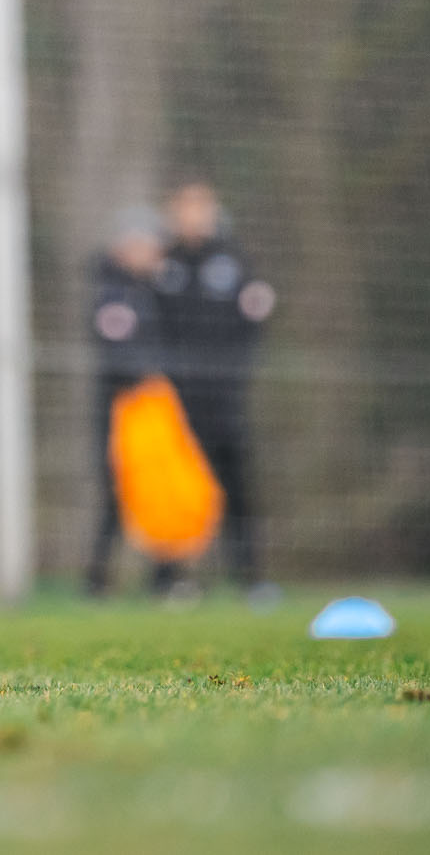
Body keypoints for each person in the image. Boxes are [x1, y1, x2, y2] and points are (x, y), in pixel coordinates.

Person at [152, 181, 274, 595]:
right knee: (176, 489)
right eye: (185, 209)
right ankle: (173, 579)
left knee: (236, 486)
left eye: (200, 208)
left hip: (225, 397)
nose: (193, 217)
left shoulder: (235, 260)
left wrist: (237, 368)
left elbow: (256, 314)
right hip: (176, 399)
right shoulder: (162, 263)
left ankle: (249, 577)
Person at [81, 206, 170, 597]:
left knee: (162, 491)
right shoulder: (112, 292)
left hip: (159, 405)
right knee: (120, 492)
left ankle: (167, 578)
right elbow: (117, 351)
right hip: (127, 407)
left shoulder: (157, 291)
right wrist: (146, 379)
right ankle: (98, 578)